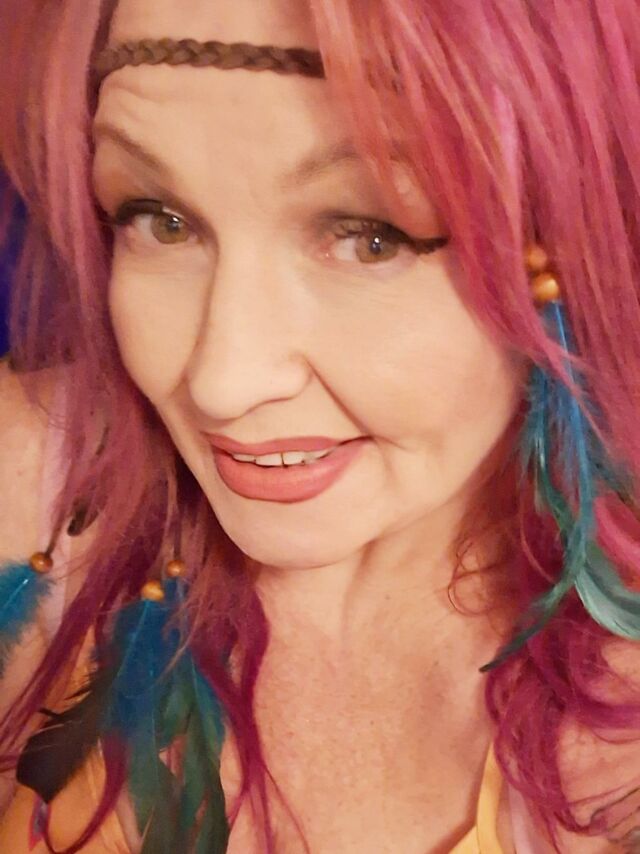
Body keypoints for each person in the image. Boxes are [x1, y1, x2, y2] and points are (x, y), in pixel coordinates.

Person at [1, 0, 640, 851]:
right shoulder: (30, 493)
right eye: (161, 219)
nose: (223, 382)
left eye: (370, 238)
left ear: (570, 235)